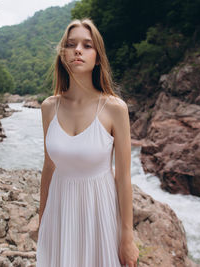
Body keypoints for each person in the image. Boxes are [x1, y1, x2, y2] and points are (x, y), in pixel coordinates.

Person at [36, 18, 139, 267]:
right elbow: (49, 168)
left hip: (99, 214)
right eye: (71, 45)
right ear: (63, 55)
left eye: (87, 45)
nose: (78, 50)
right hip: (59, 215)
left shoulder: (114, 108)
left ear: (98, 57)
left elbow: (124, 178)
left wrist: (127, 236)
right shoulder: (49, 107)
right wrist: (42, 223)